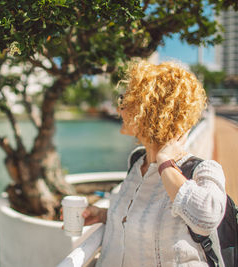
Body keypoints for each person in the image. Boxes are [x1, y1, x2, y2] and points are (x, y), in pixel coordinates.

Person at [80, 61, 226, 266]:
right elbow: (141, 219)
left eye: (126, 100)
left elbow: (206, 220)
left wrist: (165, 163)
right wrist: (103, 215)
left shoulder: (203, 170)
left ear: (150, 111)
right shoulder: (137, 161)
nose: (119, 107)